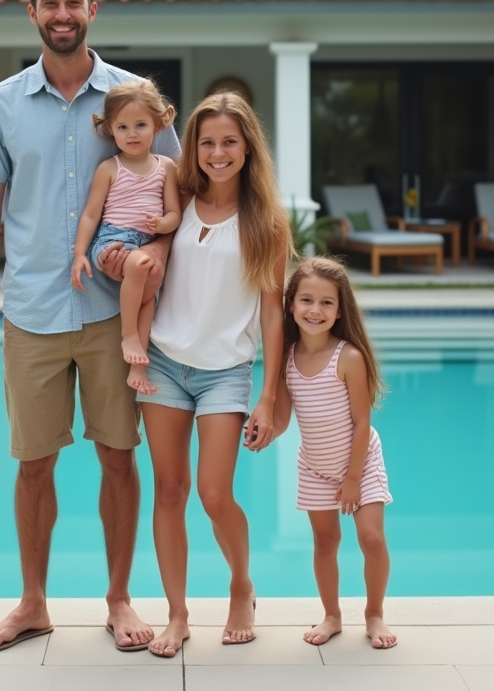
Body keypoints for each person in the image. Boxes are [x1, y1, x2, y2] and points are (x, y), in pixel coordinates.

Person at [0, 0, 180, 654]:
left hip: (115, 315)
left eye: (73, 2)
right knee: (34, 464)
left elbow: (177, 197)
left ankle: (119, 599)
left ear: (92, 10)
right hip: (32, 312)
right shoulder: (0, 103)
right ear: (33, 13)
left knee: (118, 457)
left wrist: (152, 255)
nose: (62, 14)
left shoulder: (132, 98)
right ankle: (33, 603)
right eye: (49, 3)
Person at [139, 92, 292, 658]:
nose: (218, 152)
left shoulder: (267, 223)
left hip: (225, 372)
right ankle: (177, 615)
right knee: (169, 489)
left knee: (213, 494)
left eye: (229, 141)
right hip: (163, 361)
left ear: (248, 147)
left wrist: (268, 397)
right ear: (193, 148)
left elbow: (273, 313)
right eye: (207, 142)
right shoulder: (176, 200)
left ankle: (241, 585)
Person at [271, 256, 396, 649]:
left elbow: (362, 422)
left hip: (361, 463)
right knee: (325, 543)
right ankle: (332, 615)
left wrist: (353, 478)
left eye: (327, 302)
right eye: (306, 300)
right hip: (316, 468)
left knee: (371, 539)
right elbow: (282, 419)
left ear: (340, 310)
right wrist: (261, 431)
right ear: (291, 304)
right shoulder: (287, 358)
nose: (316, 310)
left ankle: (374, 614)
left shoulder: (349, 358)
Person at [72, 80, 181, 394]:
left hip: (145, 243)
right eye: (123, 127)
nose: (132, 134)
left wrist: (161, 224)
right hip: (112, 240)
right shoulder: (109, 168)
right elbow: (91, 214)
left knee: (148, 296)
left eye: (140, 125)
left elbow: (175, 213)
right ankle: (129, 335)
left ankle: (137, 366)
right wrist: (79, 254)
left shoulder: (166, 167)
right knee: (139, 265)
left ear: (157, 125)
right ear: (110, 130)